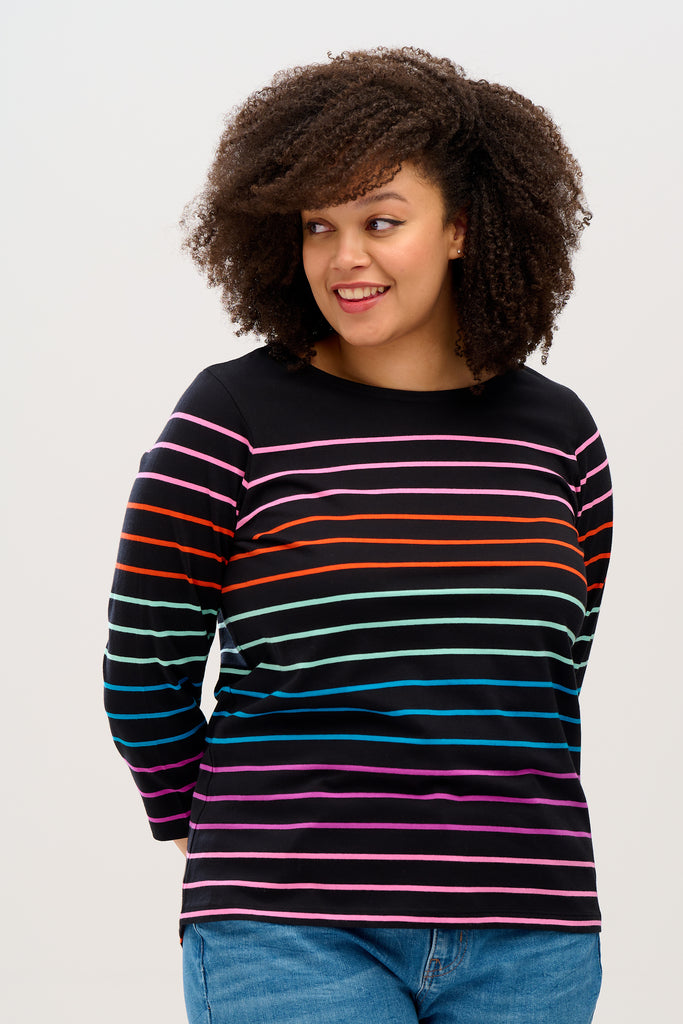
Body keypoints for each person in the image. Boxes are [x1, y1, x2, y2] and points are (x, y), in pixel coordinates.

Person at [104, 47, 612, 1024]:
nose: (344, 258)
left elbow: (545, 679)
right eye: (318, 226)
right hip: (290, 930)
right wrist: (212, 834)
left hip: (532, 937)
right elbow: (145, 668)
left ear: (460, 226)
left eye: (381, 221)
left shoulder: (558, 435)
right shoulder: (231, 418)